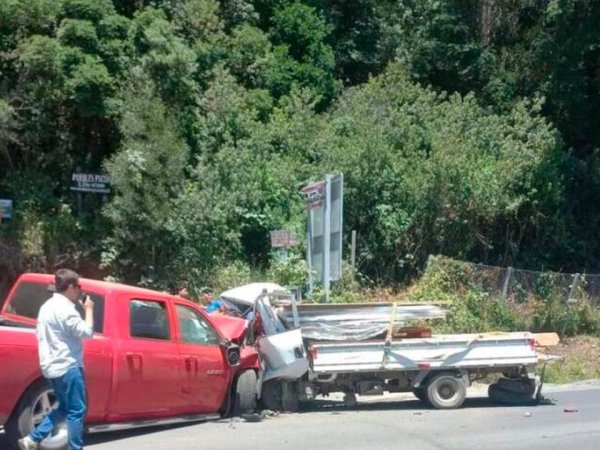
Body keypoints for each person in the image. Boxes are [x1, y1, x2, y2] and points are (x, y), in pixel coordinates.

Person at [18, 269, 94, 450]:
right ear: (69, 287)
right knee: (77, 411)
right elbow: (87, 332)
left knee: (64, 407)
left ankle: (33, 438)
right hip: (68, 365)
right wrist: (89, 310)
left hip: (51, 366)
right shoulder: (66, 309)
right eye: (78, 286)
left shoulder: (46, 307)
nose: (79, 291)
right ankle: (75, 448)